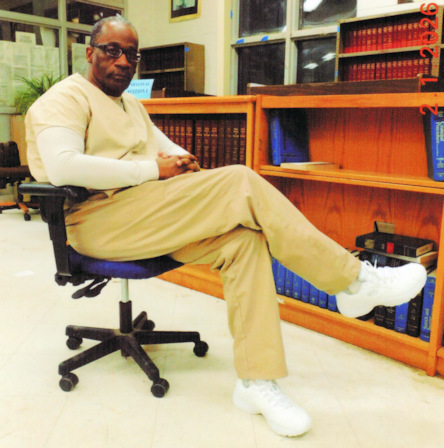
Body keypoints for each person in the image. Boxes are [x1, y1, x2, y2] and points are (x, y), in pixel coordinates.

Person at [25, 16, 427, 438]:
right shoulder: (66, 97)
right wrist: (154, 170)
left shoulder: (129, 105)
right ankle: (354, 281)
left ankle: (256, 382)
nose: (123, 61)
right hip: (96, 219)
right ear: (90, 53)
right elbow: (62, 166)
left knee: (243, 241)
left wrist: (182, 160)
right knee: (239, 181)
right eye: (112, 51)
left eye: (131, 54)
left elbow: (162, 145)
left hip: (144, 210)